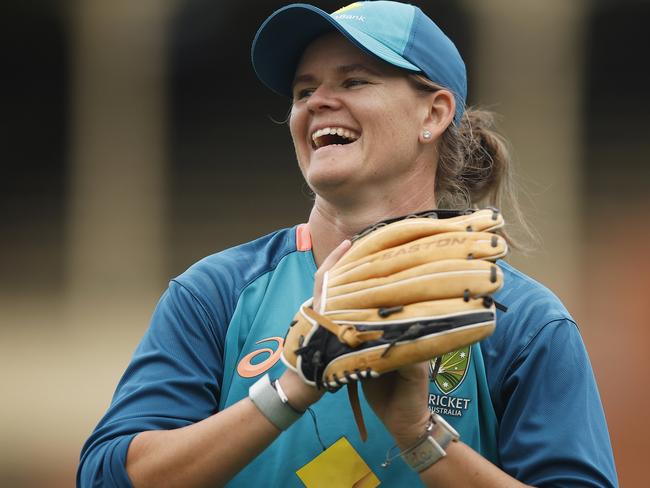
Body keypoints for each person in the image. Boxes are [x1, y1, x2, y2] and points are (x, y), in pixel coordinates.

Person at [77, 2, 618, 487]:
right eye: (303, 90)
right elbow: (108, 477)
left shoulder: (521, 319)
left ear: (433, 113)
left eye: (355, 81)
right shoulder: (215, 293)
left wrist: (419, 434)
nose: (318, 102)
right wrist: (289, 389)